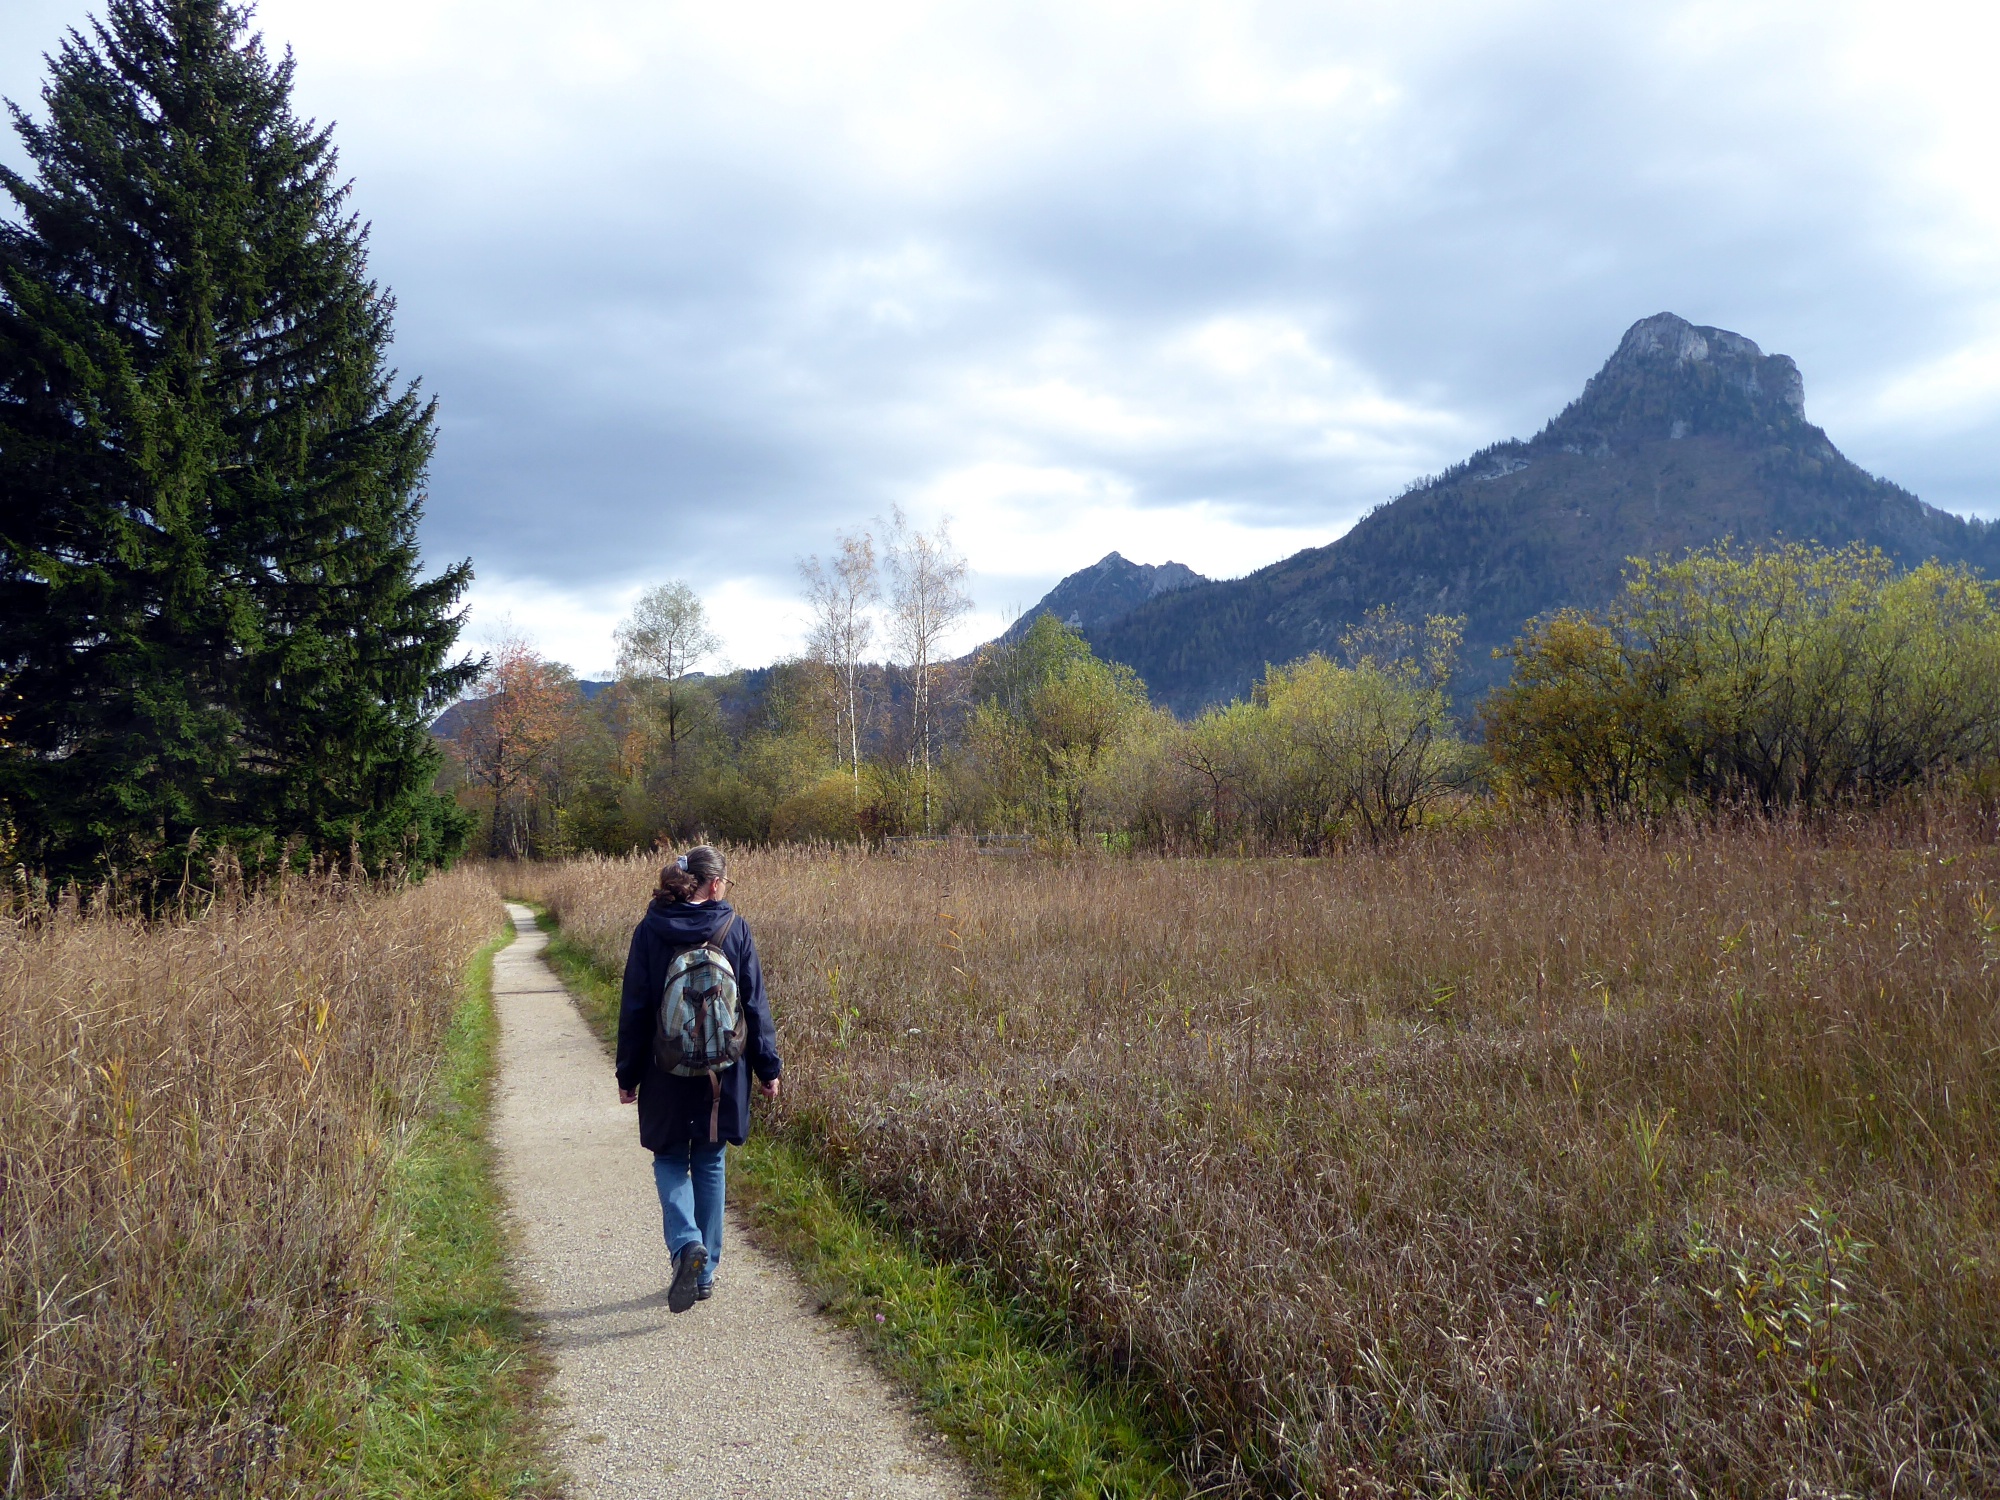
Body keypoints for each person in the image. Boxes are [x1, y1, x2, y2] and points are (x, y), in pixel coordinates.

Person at [616, 844, 782, 1312]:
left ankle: (686, 1242)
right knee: (709, 1161)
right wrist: (768, 1068)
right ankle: (704, 1274)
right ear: (714, 885)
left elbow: (635, 1008)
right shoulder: (734, 928)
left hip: (665, 1067)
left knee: (669, 1158)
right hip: (722, 1072)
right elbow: (754, 1004)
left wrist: (628, 1074)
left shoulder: (650, 929)